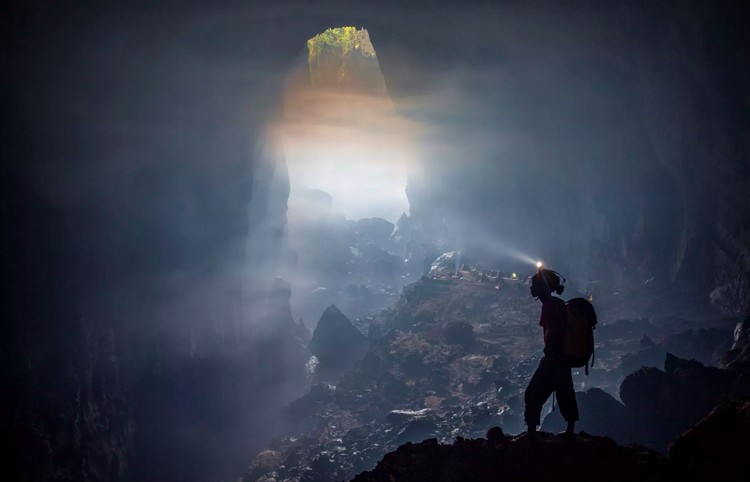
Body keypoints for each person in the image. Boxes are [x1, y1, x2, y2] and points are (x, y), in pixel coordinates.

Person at [524, 268, 579, 439]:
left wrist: (550, 354)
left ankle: (531, 434)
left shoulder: (549, 306)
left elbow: (553, 332)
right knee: (565, 393)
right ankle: (570, 430)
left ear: (542, 287)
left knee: (532, 394)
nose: (531, 288)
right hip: (563, 358)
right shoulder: (558, 304)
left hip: (553, 359)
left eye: (534, 284)